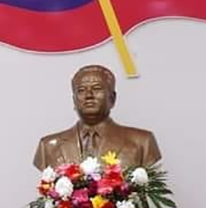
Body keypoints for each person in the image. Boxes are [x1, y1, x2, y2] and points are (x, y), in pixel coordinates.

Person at [33, 64, 162, 170]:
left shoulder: (142, 142)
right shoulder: (48, 146)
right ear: (74, 100)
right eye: (81, 90)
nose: (89, 95)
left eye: (97, 88)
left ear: (112, 98)